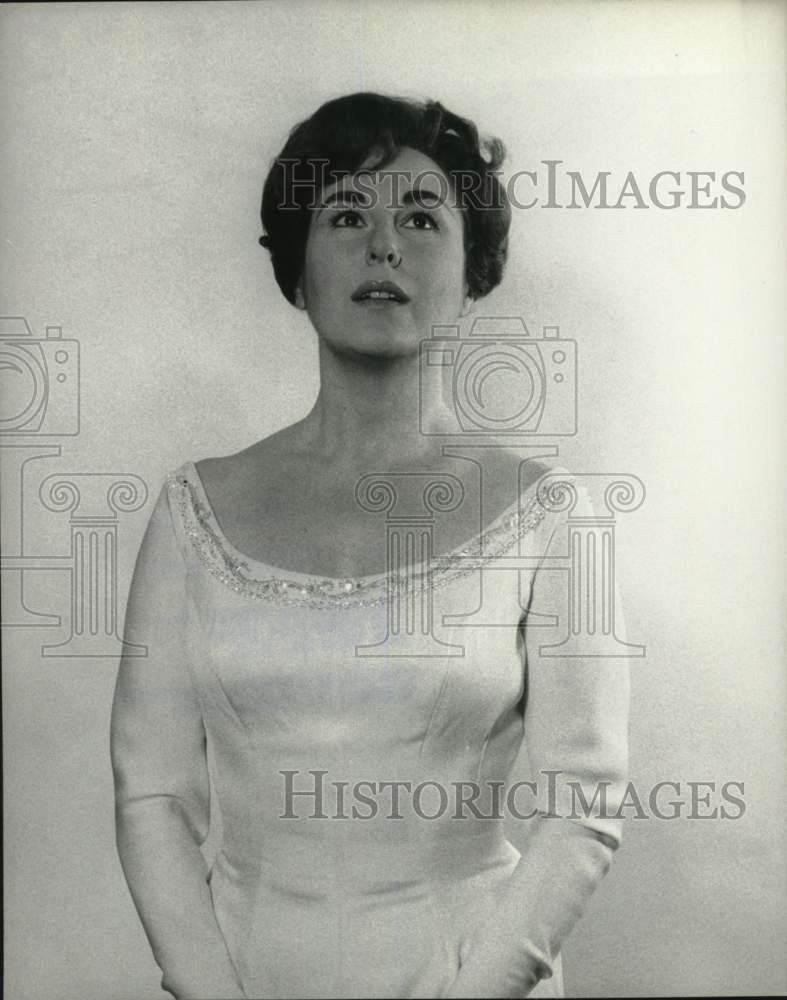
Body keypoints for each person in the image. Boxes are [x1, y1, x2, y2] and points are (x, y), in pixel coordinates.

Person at [110, 92, 630, 999]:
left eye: (422, 219)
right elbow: (150, 792)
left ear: (473, 277)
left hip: (472, 976)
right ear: (298, 272)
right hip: (240, 976)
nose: (383, 244)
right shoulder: (192, 508)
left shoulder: (553, 515)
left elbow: (581, 805)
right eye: (346, 215)